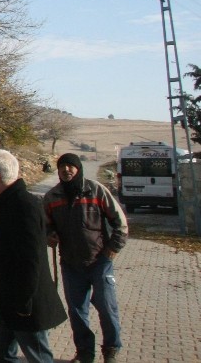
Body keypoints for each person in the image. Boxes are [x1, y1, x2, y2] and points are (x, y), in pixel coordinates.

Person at [0, 149, 67, 363]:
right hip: (6, 300)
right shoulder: (5, 201)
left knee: (39, 356)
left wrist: (23, 302)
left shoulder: (24, 205)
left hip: (24, 303)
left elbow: (31, 259)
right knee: (2, 353)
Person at [44, 153, 128, 363]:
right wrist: (49, 235)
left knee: (107, 307)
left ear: (78, 168)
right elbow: (44, 225)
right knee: (77, 312)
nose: (66, 170)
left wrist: (113, 248)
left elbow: (120, 222)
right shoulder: (52, 197)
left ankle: (111, 350)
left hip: (99, 261)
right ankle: (84, 353)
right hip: (70, 263)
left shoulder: (96, 190)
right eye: (62, 167)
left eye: (70, 166)